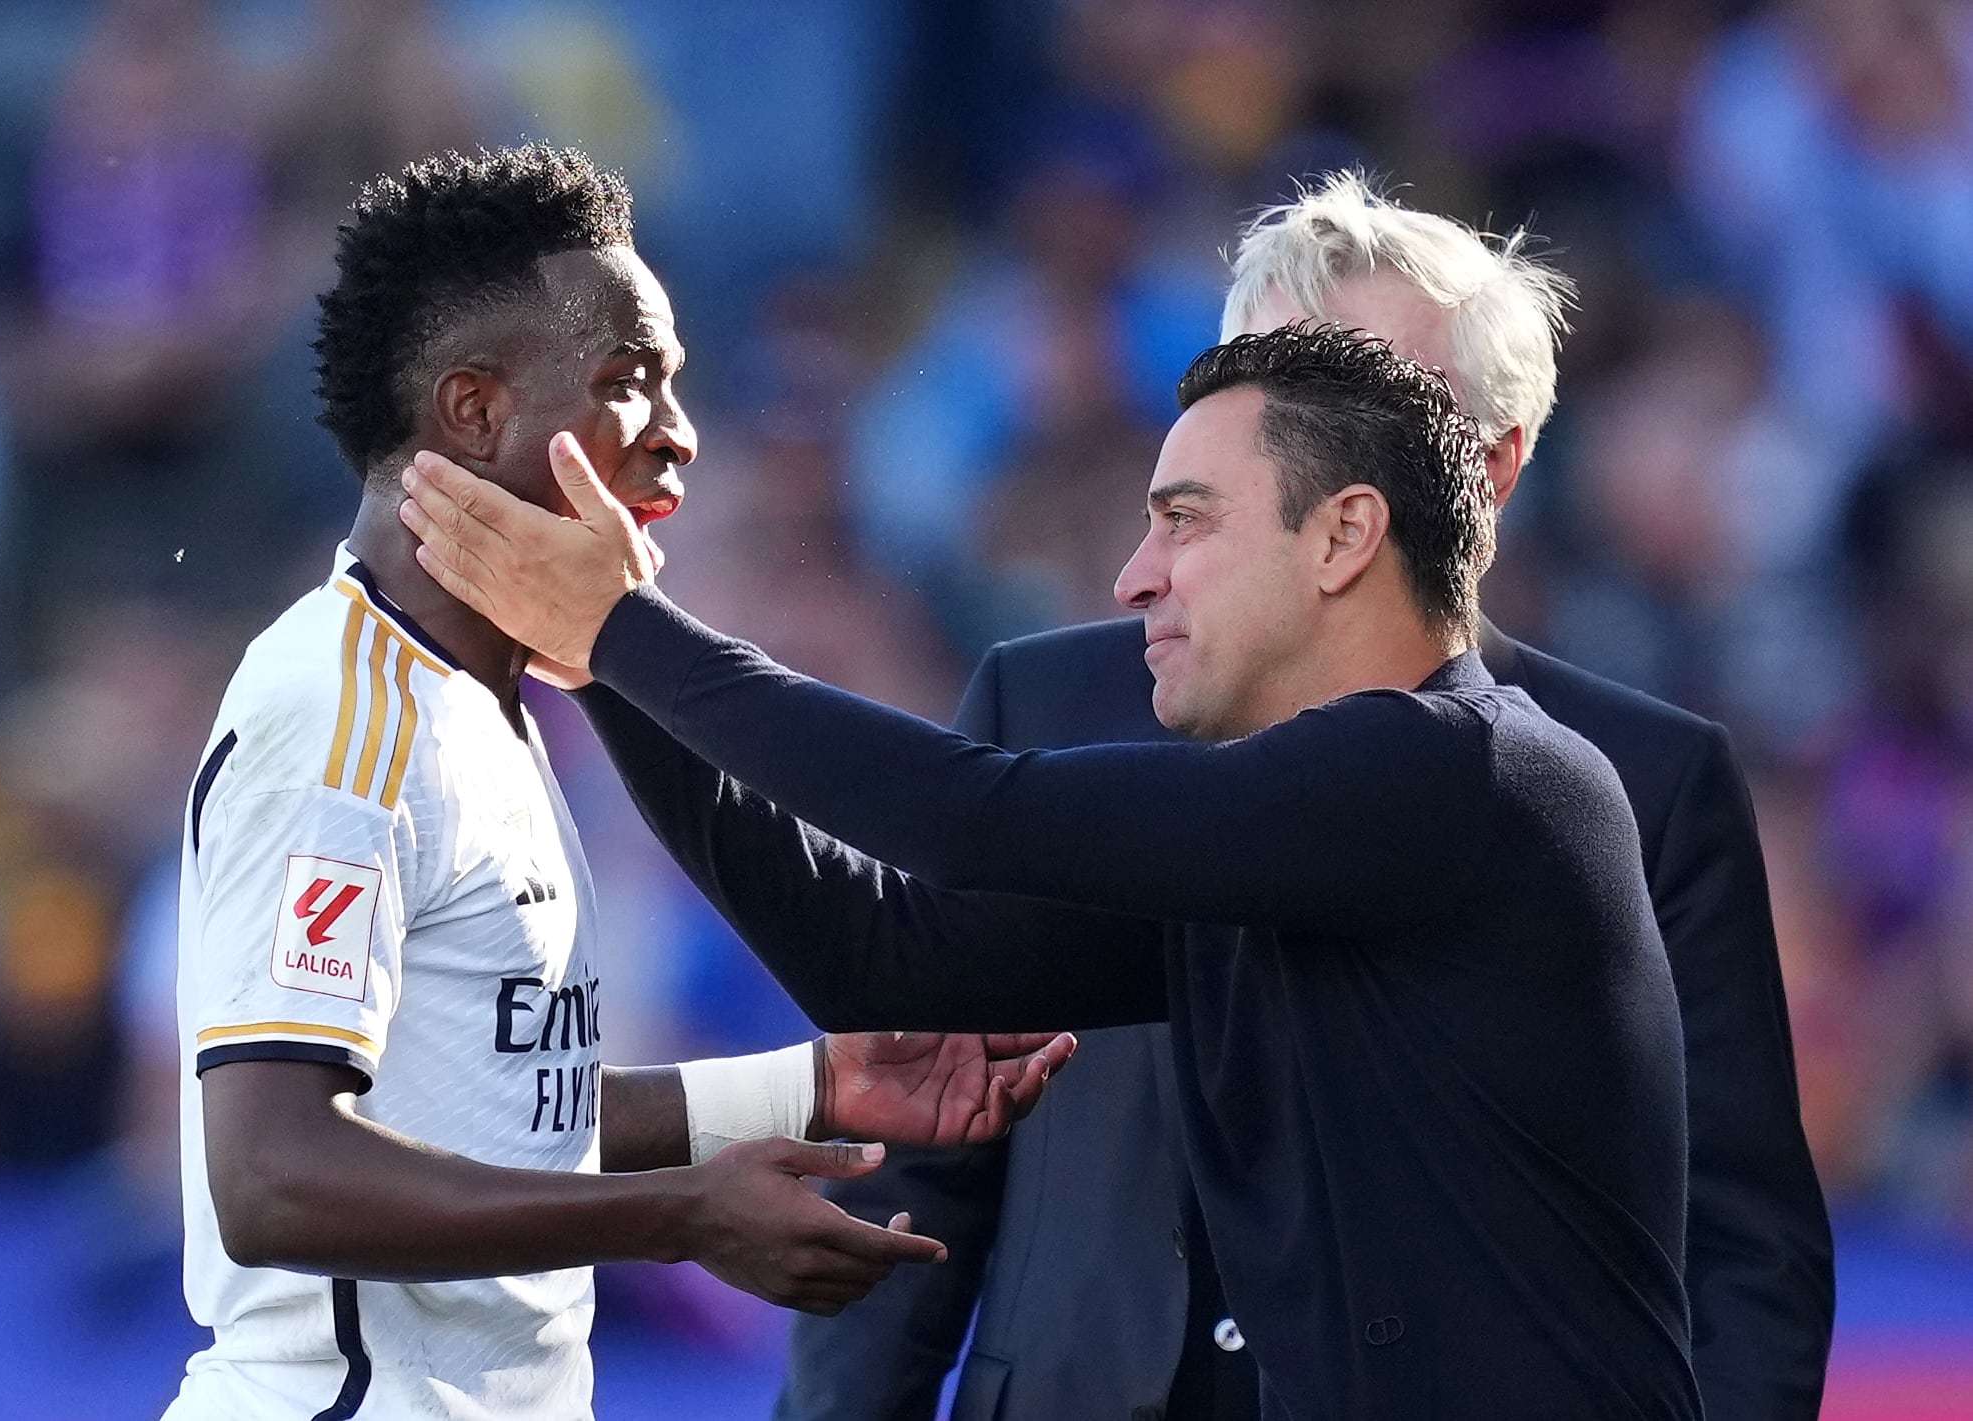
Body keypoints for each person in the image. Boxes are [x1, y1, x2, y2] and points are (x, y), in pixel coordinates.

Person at [401, 325, 1703, 1419]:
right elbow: (879, 952)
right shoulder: (1303, 847)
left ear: (1343, 536)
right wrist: (602, 671)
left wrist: (625, 628)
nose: (1136, 578)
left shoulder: (1460, 777)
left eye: (1185, 524)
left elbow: (965, 814)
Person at [779, 174, 1837, 1421]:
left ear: (1491, 466)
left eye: (1366, 399)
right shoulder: (1037, 709)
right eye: (1265, 383)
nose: (1298, 431)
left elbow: (1738, 1241)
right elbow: (923, 1162)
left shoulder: (1640, 780)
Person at [168, 144, 1076, 1421]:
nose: (680, 434)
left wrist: (806, 1087)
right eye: (626, 382)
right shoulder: (338, 709)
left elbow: (486, 1112)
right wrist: (676, 1216)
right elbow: (273, 1175)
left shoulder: (492, 701)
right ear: (474, 412)